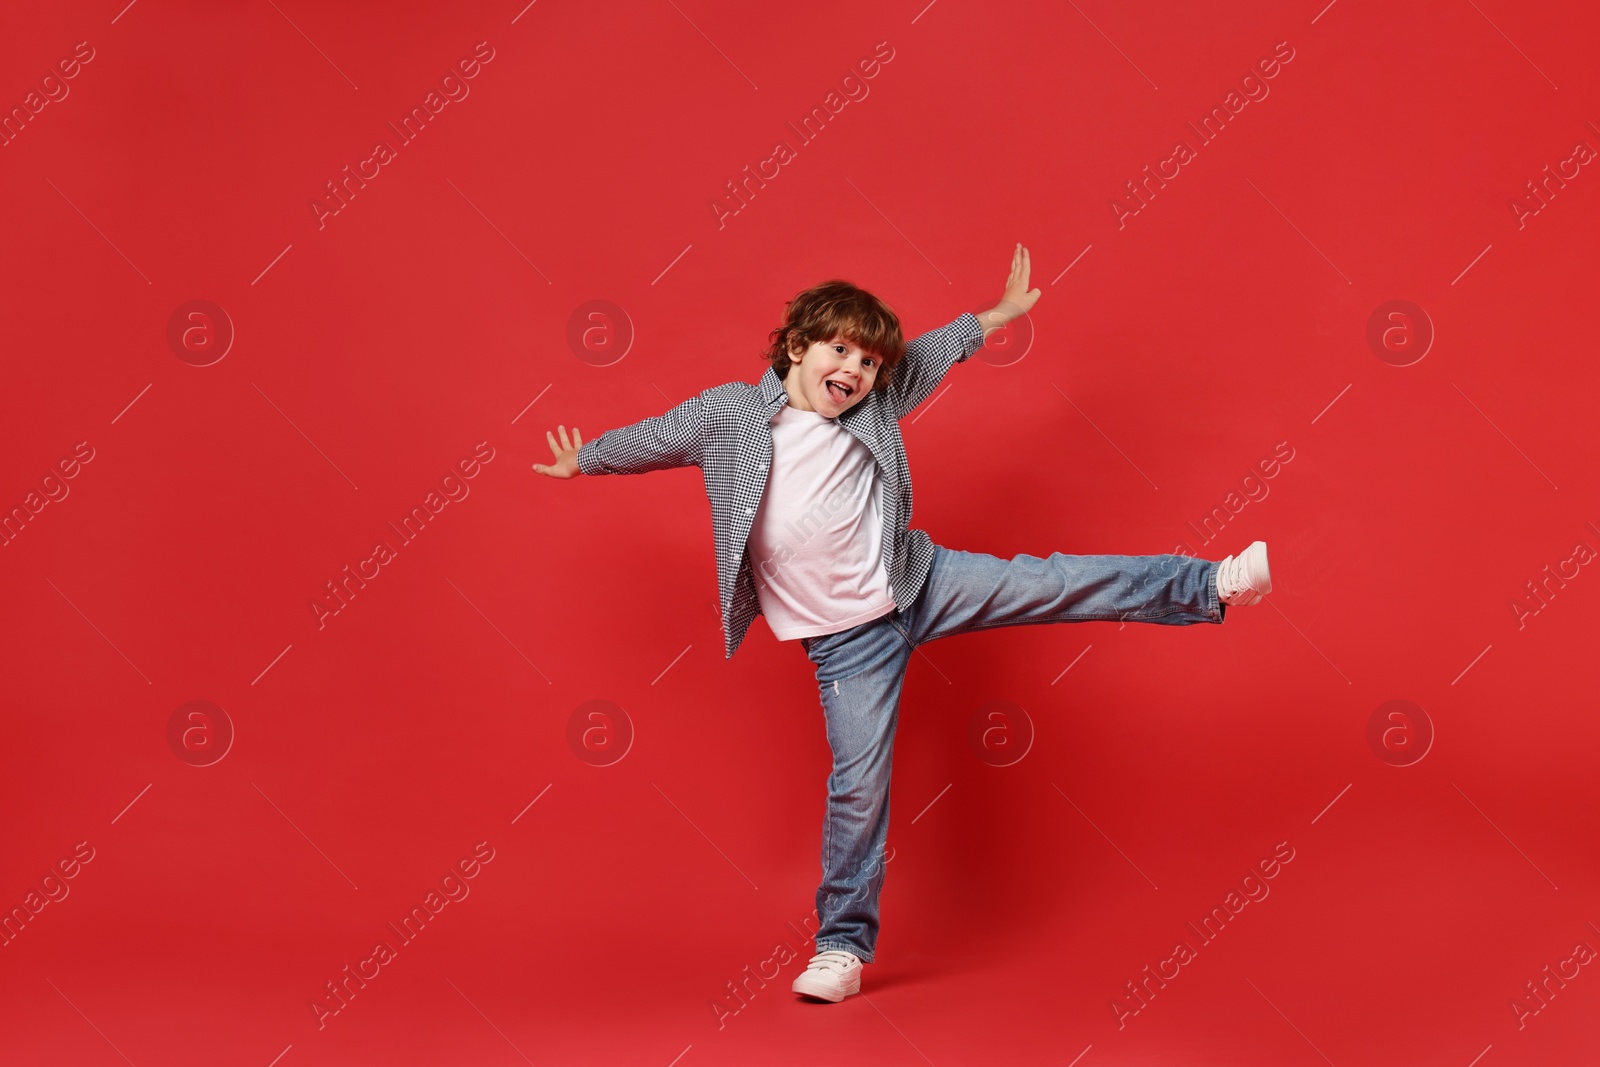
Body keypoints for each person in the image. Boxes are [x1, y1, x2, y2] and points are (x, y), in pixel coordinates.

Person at [532, 244, 1272, 1004]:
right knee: (859, 785)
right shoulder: (729, 415)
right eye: (840, 350)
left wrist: (997, 316)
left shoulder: (876, 400)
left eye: (871, 363)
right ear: (797, 345)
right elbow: (655, 436)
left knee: (1052, 579)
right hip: (847, 642)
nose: (855, 370)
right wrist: (587, 458)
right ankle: (841, 949)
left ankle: (1210, 582)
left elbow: (934, 351)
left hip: (920, 582)